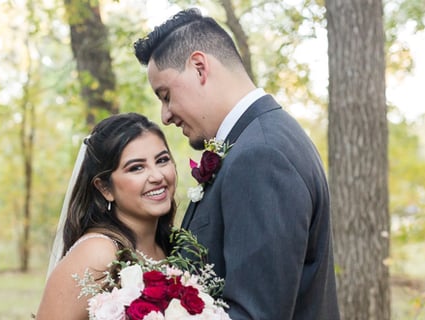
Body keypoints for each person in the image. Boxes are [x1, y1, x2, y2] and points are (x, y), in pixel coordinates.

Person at [133, 8, 339, 319]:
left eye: (165, 95)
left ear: (200, 67)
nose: (165, 115)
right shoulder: (259, 140)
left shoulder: (261, 156)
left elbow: (256, 314)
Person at [35, 113, 178, 319]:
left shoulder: (171, 246)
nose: (157, 176)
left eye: (162, 160)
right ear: (104, 188)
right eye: (136, 168)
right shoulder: (98, 253)